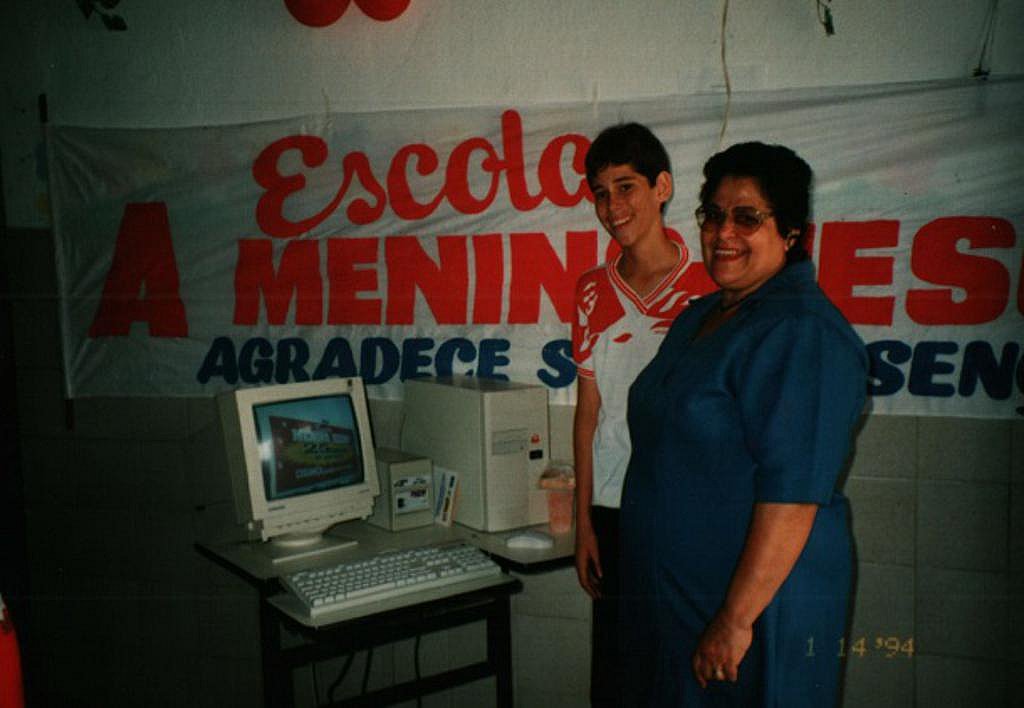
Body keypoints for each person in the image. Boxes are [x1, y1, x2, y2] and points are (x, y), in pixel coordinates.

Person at [618, 141, 867, 706]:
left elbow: (793, 497)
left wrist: (734, 621)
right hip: (682, 600)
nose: (723, 232)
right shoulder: (702, 316)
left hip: (756, 612)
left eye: (747, 217)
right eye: (713, 214)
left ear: (792, 232)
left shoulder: (802, 332)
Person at [572, 123, 696, 707]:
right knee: (616, 683)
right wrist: (583, 524)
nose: (612, 206)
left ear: (662, 187)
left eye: (626, 187)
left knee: (681, 675)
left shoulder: (709, 286)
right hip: (613, 509)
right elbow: (588, 413)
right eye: (601, 193)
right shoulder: (590, 290)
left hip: (683, 510)